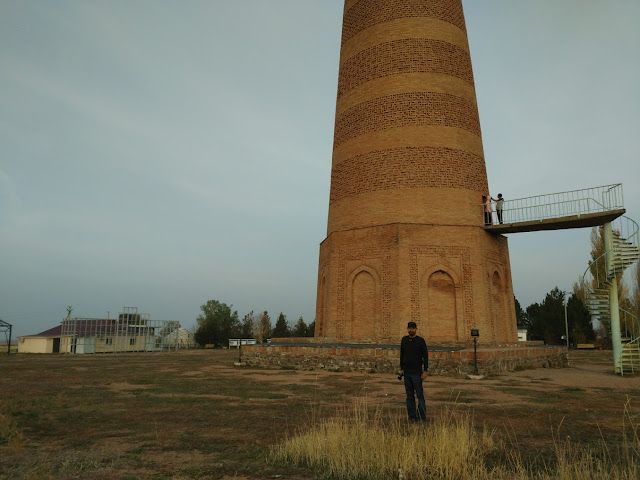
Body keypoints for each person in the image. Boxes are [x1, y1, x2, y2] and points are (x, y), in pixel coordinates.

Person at [400, 321, 428, 422]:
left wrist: (425, 371)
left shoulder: (420, 341)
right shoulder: (404, 340)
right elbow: (402, 355)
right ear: (407, 329)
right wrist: (402, 368)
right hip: (407, 373)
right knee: (409, 396)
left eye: (413, 328)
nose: (411, 330)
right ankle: (411, 416)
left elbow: (425, 356)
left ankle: (422, 417)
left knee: (420, 395)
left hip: (417, 373)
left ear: (416, 329)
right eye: (409, 328)